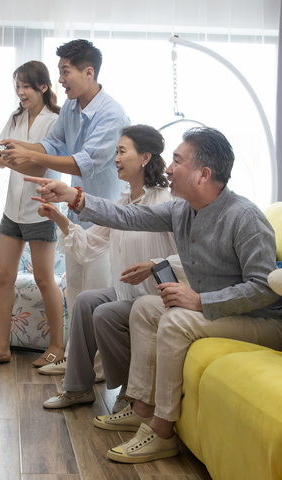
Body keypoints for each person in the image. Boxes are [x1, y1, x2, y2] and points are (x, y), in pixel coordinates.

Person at [26, 127, 282, 464]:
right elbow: (127, 216)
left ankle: (162, 432)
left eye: (177, 161)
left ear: (203, 174)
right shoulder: (182, 210)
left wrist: (200, 301)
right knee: (147, 306)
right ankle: (142, 407)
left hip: (260, 322)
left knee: (176, 319)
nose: (168, 168)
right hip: (223, 314)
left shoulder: (244, 216)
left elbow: (265, 288)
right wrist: (74, 197)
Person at [0, 39, 130, 371]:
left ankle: (96, 369)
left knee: (96, 297)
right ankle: (74, 361)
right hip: (77, 216)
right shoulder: (71, 108)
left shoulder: (111, 114)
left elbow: (84, 163)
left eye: (65, 71)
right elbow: (53, 144)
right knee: (76, 294)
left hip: (105, 218)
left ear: (89, 72)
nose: (60, 80)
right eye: (59, 71)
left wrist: (29, 154)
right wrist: (17, 148)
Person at [36, 125, 183, 413]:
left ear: (145, 157)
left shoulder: (167, 202)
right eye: (115, 151)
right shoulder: (123, 202)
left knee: (104, 311)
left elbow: (187, 257)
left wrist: (155, 265)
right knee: (86, 301)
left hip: (154, 297)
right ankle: (77, 388)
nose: (115, 158)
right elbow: (89, 246)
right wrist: (59, 218)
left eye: (122, 151)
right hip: (125, 293)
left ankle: (129, 392)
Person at [0, 61, 65, 368]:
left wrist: (5, 159)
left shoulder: (55, 121)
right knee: (4, 278)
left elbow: (40, 165)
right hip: (12, 210)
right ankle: (1, 348)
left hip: (40, 209)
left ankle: (57, 347)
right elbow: (2, 156)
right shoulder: (16, 117)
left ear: (43, 87)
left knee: (44, 279)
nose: (20, 92)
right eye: (17, 86)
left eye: (26, 86)